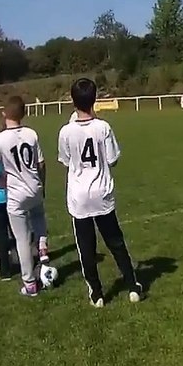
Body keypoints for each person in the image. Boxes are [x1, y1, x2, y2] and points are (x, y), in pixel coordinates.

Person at [59, 78, 144, 308]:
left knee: (86, 247)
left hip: (79, 198)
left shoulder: (66, 131)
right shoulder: (103, 127)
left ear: (72, 100)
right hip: (102, 193)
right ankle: (132, 286)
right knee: (116, 242)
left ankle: (96, 294)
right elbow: (113, 159)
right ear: (94, 99)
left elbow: (65, 161)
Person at [0, 96, 50, 297]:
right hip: (34, 187)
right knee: (38, 217)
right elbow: (42, 164)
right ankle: (43, 246)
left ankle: (30, 284)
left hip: (16, 194)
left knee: (21, 238)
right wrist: (42, 185)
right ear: (24, 114)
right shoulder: (31, 133)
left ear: (4, 114)